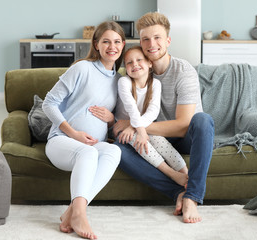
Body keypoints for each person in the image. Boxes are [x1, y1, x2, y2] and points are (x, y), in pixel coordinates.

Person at [113, 12, 214, 223]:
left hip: (186, 137)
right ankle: (177, 192)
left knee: (203, 120)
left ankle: (192, 197)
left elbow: (183, 125)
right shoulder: (136, 73)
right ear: (140, 43)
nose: (152, 44)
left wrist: (134, 125)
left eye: (157, 38)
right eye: (145, 39)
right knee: (117, 149)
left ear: (167, 40)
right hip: (156, 139)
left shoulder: (183, 71)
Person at [42, 21, 126, 239]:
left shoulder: (119, 80)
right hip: (62, 141)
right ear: (96, 44)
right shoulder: (82, 68)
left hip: (93, 145)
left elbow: (116, 122)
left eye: (117, 42)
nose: (112, 46)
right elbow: (48, 103)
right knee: (88, 152)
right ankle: (79, 213)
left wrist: (111, 119)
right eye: (106, 41)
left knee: (114, 151)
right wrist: (73, 133)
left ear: (123, 45)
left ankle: (71, 211)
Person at [115, 45, 188, 186]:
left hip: (139, 125)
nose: (134, 64)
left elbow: (153, 111)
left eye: (139, 60)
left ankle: (186, 174)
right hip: (122, 129)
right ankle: (172, 174)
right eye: (129, 62)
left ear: (149, 63)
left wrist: (134, 127)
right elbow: (131, 108)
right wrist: (139, 131)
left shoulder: (155, 84)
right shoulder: (124, 82)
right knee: (139, 138)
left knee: (159, 140)